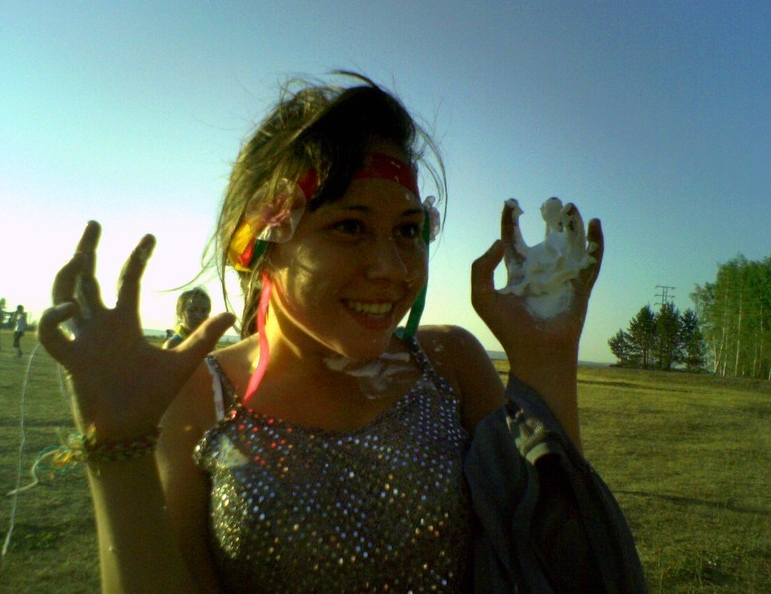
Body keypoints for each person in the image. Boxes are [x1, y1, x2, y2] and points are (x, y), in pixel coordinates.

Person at [38, 74, 645, 593]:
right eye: (350, 226)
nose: (391, 267)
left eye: (408, 230)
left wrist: (545, 360)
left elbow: (554, 556)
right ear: (260, 245)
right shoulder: (197, 396)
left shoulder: (450, 363)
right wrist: (118, 445)